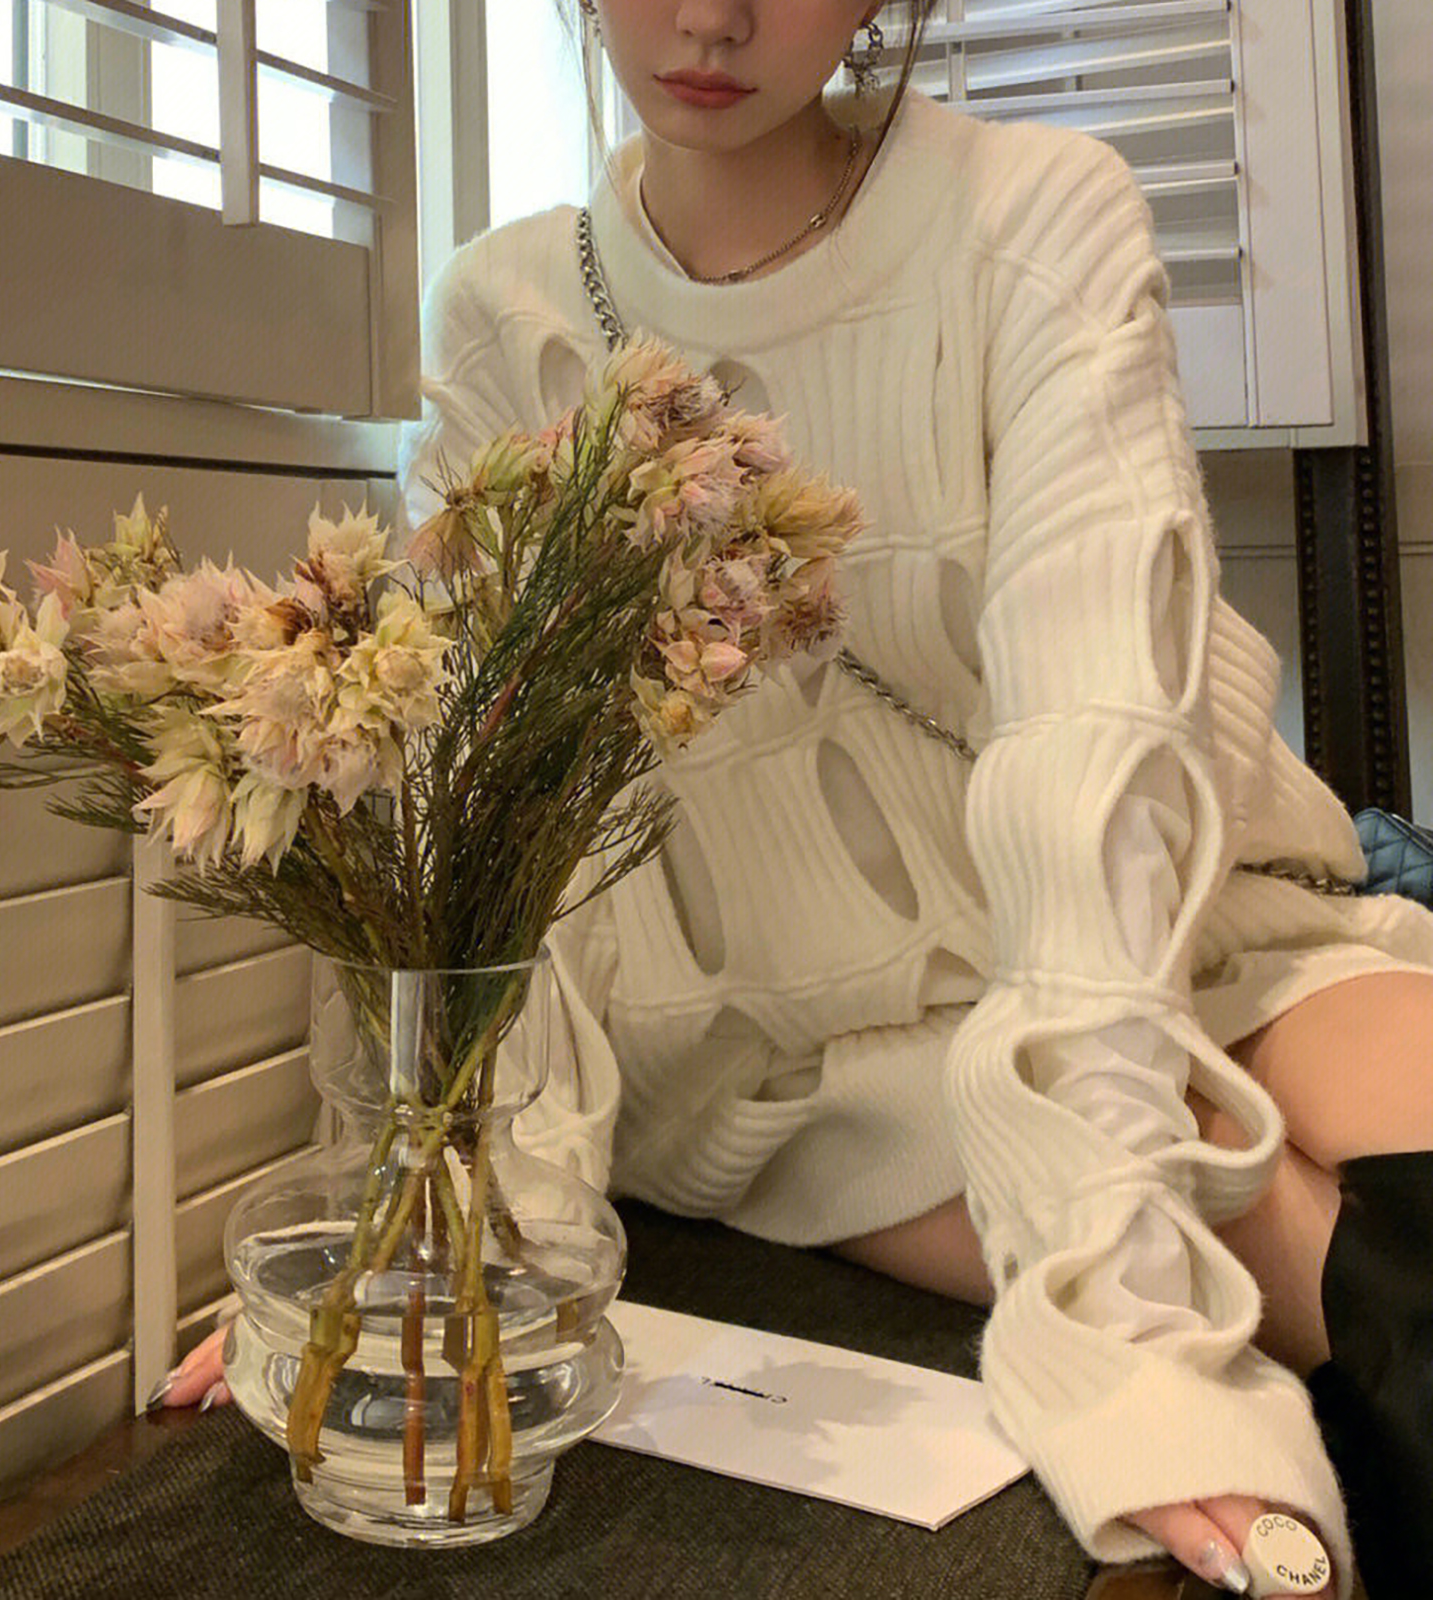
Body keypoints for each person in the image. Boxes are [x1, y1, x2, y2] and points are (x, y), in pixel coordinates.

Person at [153, 4, 1433, 1594]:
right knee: (1369, 1292)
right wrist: (410, 1243)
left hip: (1175, 918)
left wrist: (1119, 1303)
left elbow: (1091, 753)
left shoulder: (1035, 217)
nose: (712, 16)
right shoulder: (504, 315)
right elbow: (479, 825)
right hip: (792, 1046)